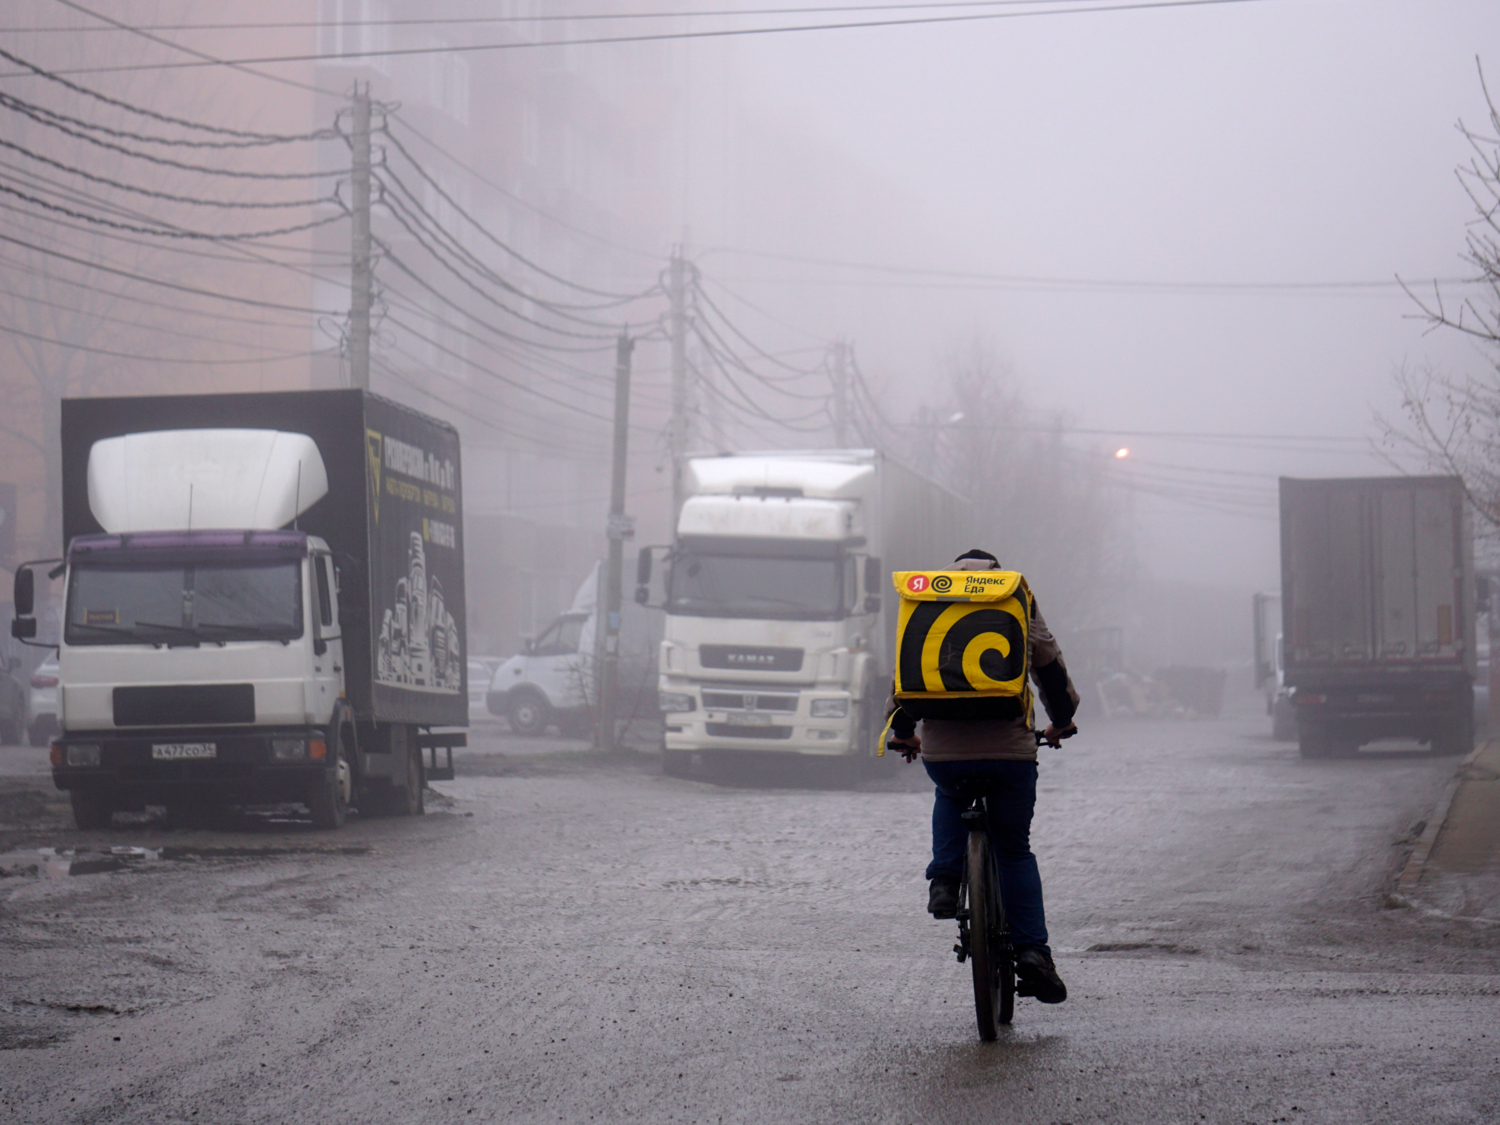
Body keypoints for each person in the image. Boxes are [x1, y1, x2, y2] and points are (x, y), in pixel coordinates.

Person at [887, 548, 1079, 1005]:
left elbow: (906, 672)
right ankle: (1033, 954)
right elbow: (1047, 664)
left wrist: (903, 732)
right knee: (1013, 850)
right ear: (996, 571)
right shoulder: (1015, 596)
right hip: (1009, 754)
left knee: (949, 790)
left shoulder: (928, 600)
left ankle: (945, 882)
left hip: (944, 751)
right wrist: (1061, 720)